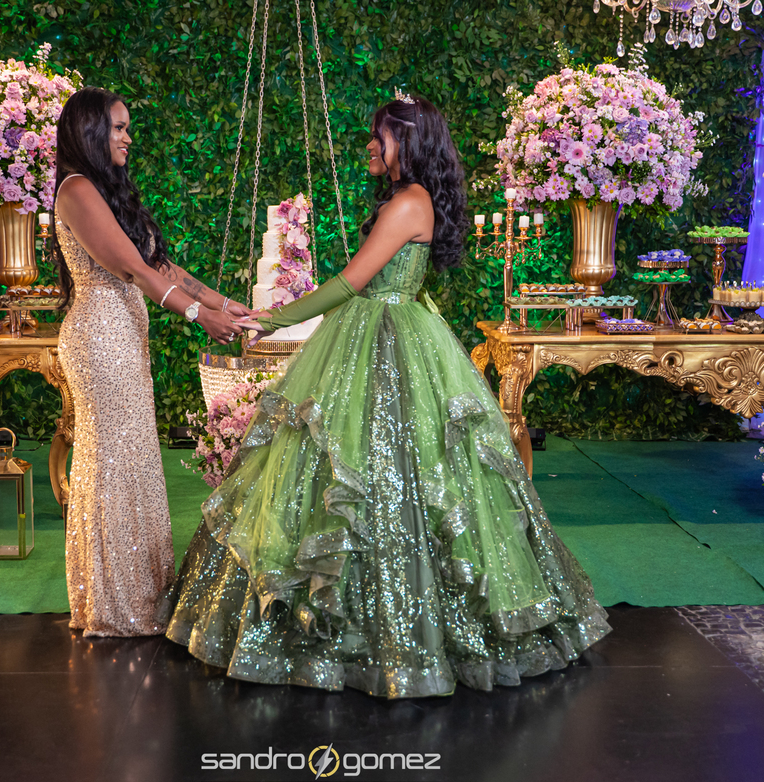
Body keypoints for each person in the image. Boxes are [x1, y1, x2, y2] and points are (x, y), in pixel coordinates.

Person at [166, 93, 610, 697]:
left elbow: (352, 282)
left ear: (410, 141)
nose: (372, 146)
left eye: (382, 136)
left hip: (386, 332)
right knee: (372, 469)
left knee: (382, 467)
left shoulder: (408, 202)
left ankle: (388, 634)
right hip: (382, 329)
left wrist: (273, 319)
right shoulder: (409, 199)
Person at [52, 87, 250, 637]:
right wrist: (198, 316)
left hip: (123, 334)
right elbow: (132, 270)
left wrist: (224, 303)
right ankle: (113, 604)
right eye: (118, 128)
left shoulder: (106, 190)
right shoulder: (75, 189)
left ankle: (138, 596)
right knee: (113, 462)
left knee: (135, 459)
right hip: (98, 338)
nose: (128, 138)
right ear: (91, 131)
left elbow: (160, 265)